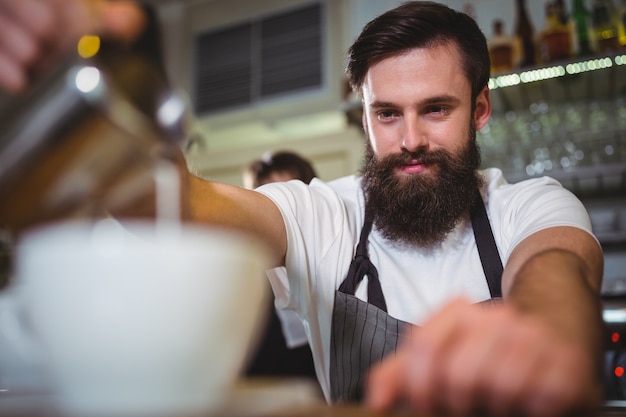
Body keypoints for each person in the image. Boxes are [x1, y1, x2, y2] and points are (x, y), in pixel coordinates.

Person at [0, 1, 605, 416]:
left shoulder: (530, 205)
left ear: (479, 111)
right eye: (386, 114)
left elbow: (555, 270)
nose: (410, 138)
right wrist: (60, 90)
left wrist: (546, 340)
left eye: (437, 109)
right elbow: (192, 204)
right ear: (365, 116)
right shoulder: (324, 215)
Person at [243, 151, 318, 385]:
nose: (282, 209)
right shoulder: (247, 274)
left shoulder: (340, 257)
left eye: (291, 194)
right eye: (270, 198)